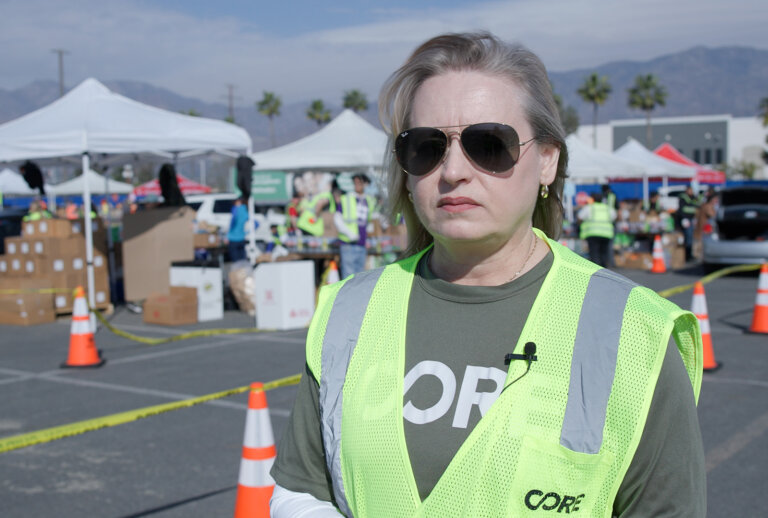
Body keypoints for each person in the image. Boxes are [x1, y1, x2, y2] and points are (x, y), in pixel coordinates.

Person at [270, 32, 705, 517]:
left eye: (488, 144)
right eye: (426, 147)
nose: (453, 169)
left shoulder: (635, 333)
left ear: (547, 160)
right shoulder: (347, 312)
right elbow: (303, 491)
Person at [334, 173, 376, 278]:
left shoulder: (369, 200)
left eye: (360, 182)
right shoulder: (346, 199)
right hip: (348, 244)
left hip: (361, 244)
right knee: (349, 278)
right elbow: (337, 219)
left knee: (359, 278)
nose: (357, 184)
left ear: (365, 184)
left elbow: (368, 220)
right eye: (355, 182)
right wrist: (349, 233)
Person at [577, 191, 616, 267]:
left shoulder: (589, 208)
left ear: (592, 199)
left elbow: (579, 218)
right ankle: (604, 269)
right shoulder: (607, 208)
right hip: (606, 234)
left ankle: (596, 271)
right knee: (604, 253)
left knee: (594, 253)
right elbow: (615, 217)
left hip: (592, 233)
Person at [677, 184, 701, 261]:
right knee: (688, 237)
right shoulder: (683, 198)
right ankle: (687, 255)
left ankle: (689, 254)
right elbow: (682, 209)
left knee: (691, 237)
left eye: (692, 190)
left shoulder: (694, 198)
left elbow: (697, 206)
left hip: (692, 219)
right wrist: (684, 219)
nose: (691, 191)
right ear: (687, 190)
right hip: (686, 219)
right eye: (689, 190)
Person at [226, 197, 249, 262]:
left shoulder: (235, 209)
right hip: (242, 238)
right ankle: (243, 271)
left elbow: (232, 223)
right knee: (242, 257)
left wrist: (228, 236)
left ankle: (237, 271)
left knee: (235, 258)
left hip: (233, 238)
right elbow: (256, 223)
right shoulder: (245, 211)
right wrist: (247, 232)